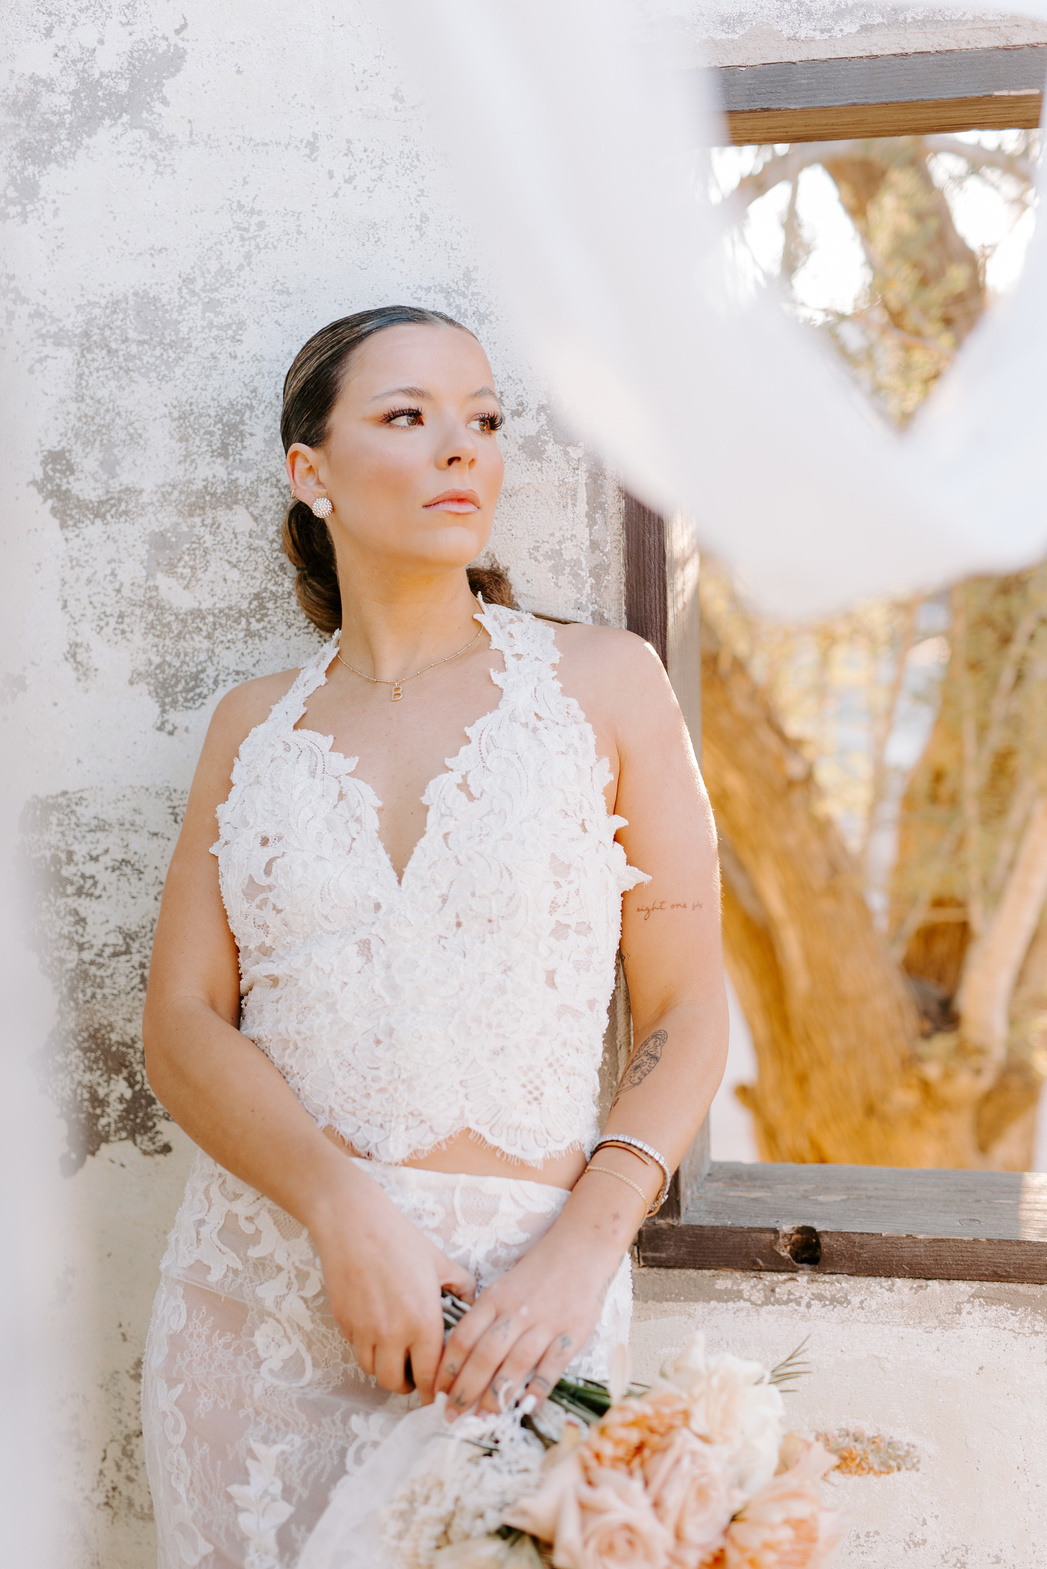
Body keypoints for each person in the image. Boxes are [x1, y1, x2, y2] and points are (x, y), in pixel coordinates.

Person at [140, 304, 728, 1567]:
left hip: (524, 1317)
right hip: (260, 1306)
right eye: (408, 418)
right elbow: (182, 1026)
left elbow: (687, 1013)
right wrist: (340, 1209)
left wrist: (584, 1253)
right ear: (311, 474)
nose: (463, 450)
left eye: (484, 422)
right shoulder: (253, 728)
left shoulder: (608, 682)